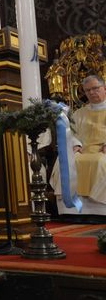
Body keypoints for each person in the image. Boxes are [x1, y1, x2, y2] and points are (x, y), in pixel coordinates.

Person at [50, 75, 106, 209]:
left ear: (104, 88)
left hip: (102, 151)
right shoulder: (79, 113)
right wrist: (75, 144)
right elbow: (71, 133)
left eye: (95, 88)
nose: (92, 92)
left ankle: (99, 208)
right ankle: (70, 206)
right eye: (87, 90)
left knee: (100, 161)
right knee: (63, 161)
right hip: (83, 150)